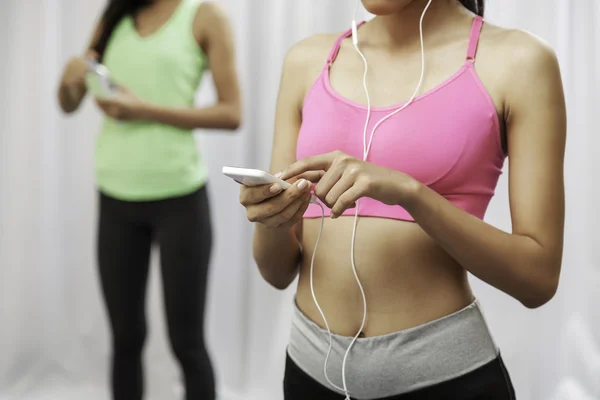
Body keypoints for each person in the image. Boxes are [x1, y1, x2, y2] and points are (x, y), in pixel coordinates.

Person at [239, 0, 565, 399]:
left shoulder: (519, 61)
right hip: (310, 373)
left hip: (445, 383)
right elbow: (276, 272)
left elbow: (538, 281)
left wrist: (410, 194)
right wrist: (270, 217)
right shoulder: (307, 60)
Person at [57, 0, 241, 399]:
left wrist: (145, 109)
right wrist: (69, 79)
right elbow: (69, 104)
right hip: (115, 196)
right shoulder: (115, 14)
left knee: (186, 343)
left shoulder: (205, 16)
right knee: (125, 339)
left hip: (180, 198)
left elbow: (232, 112)